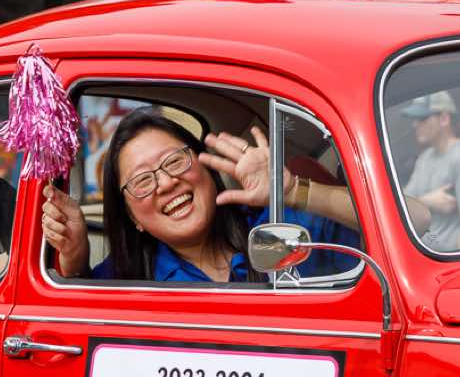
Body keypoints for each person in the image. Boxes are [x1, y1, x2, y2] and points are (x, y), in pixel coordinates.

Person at [42, 109, 362, 282]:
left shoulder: (280, 227)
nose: (166, 183)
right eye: (142, 180)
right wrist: (75, 258)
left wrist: (294, 192)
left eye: (174, 161)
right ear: (132, 218)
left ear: (207, 168)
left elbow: (392, 230)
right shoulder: (128, 277)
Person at [401, 91, 460, 251]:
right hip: (422, 255)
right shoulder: (425, 158)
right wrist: (427, 201)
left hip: (447, 258)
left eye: (422, 118)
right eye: (415, 119)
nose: (415, 124)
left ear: (444, 119)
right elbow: (402, 204)